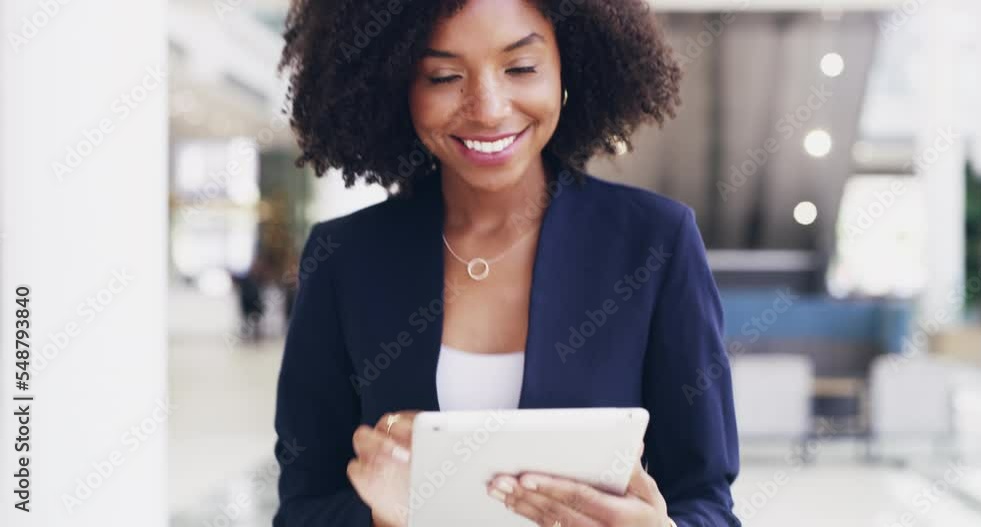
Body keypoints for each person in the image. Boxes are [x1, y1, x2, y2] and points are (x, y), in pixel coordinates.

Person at [272, 1, 740, 526]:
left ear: (571, 68)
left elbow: (706, 499)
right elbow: (303, 506)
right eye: (444, 76)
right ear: (397, 86)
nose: (488, 108)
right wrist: (386, 517)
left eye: (520, 68)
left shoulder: (655, 243)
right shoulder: (344, 258)